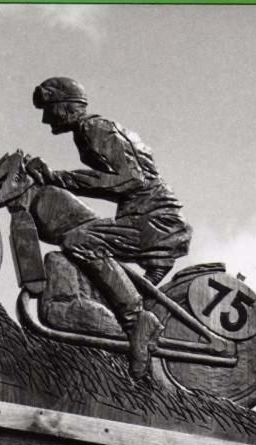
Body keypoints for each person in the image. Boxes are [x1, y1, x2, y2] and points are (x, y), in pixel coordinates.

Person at [23, 77, 192, 378]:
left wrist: (58, 177)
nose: (45, 117)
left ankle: (136, 321)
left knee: (79, 241)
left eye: (49, 108)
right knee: (85, 238)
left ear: (67, 106)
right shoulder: (88, 132)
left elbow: (132, 180)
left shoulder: (94, 128)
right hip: (148, 216)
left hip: (152, 220)